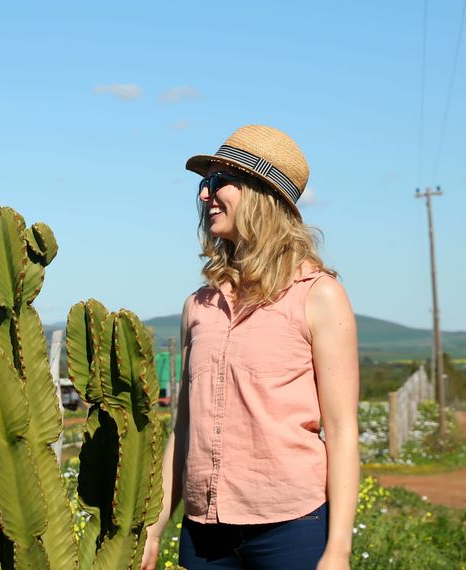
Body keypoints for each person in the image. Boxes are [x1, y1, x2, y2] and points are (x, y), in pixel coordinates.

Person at [140, 125, 360, 570]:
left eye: (220, 182)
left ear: (263, 194)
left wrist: (338, 549)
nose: (205, 195)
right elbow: (184, 431)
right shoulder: (197, 306)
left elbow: (341, 431)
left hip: (291, 530)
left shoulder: (318, 295)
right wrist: (153, 528)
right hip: (203, 536)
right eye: (206, 184)